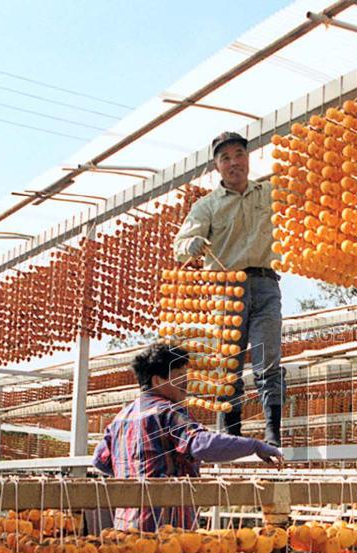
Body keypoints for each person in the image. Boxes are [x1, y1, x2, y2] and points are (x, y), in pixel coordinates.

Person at [92, 342, 282, 531]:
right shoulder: (167, 412)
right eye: (180, 375)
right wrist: (254, 446)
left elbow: (100, 461)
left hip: (125, 527)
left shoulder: (119, 419)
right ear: (157, 380)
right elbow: (200, 444)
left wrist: (134, 475)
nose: (187, 381)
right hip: (165, 532)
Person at [173, 130, 284, 446]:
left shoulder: (269, 193)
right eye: (225, 158)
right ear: (217, 167)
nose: (234, 162)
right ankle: (229, 435)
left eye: (238, 155)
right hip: (226, 288)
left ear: (248, 159)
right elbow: (179, 246)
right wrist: (190, 244)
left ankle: (273, 434)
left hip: (266, 284)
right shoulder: (206, 207)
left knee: (269, 360)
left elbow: (302, 200)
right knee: (228, 363)